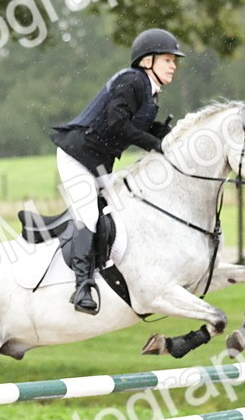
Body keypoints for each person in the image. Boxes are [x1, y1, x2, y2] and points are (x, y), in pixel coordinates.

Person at [49, 28, 185, 315]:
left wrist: (160, 133)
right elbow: (116, 124)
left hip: (99, 162)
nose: (173, 65)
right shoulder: (131, 81)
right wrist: (154, 144)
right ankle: (82, 287)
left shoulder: (149, 91)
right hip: (77, 156)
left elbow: (134, 124)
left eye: (174, 60)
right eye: (167, 59)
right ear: (147, 61)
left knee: (120, 210)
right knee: (89, 214)